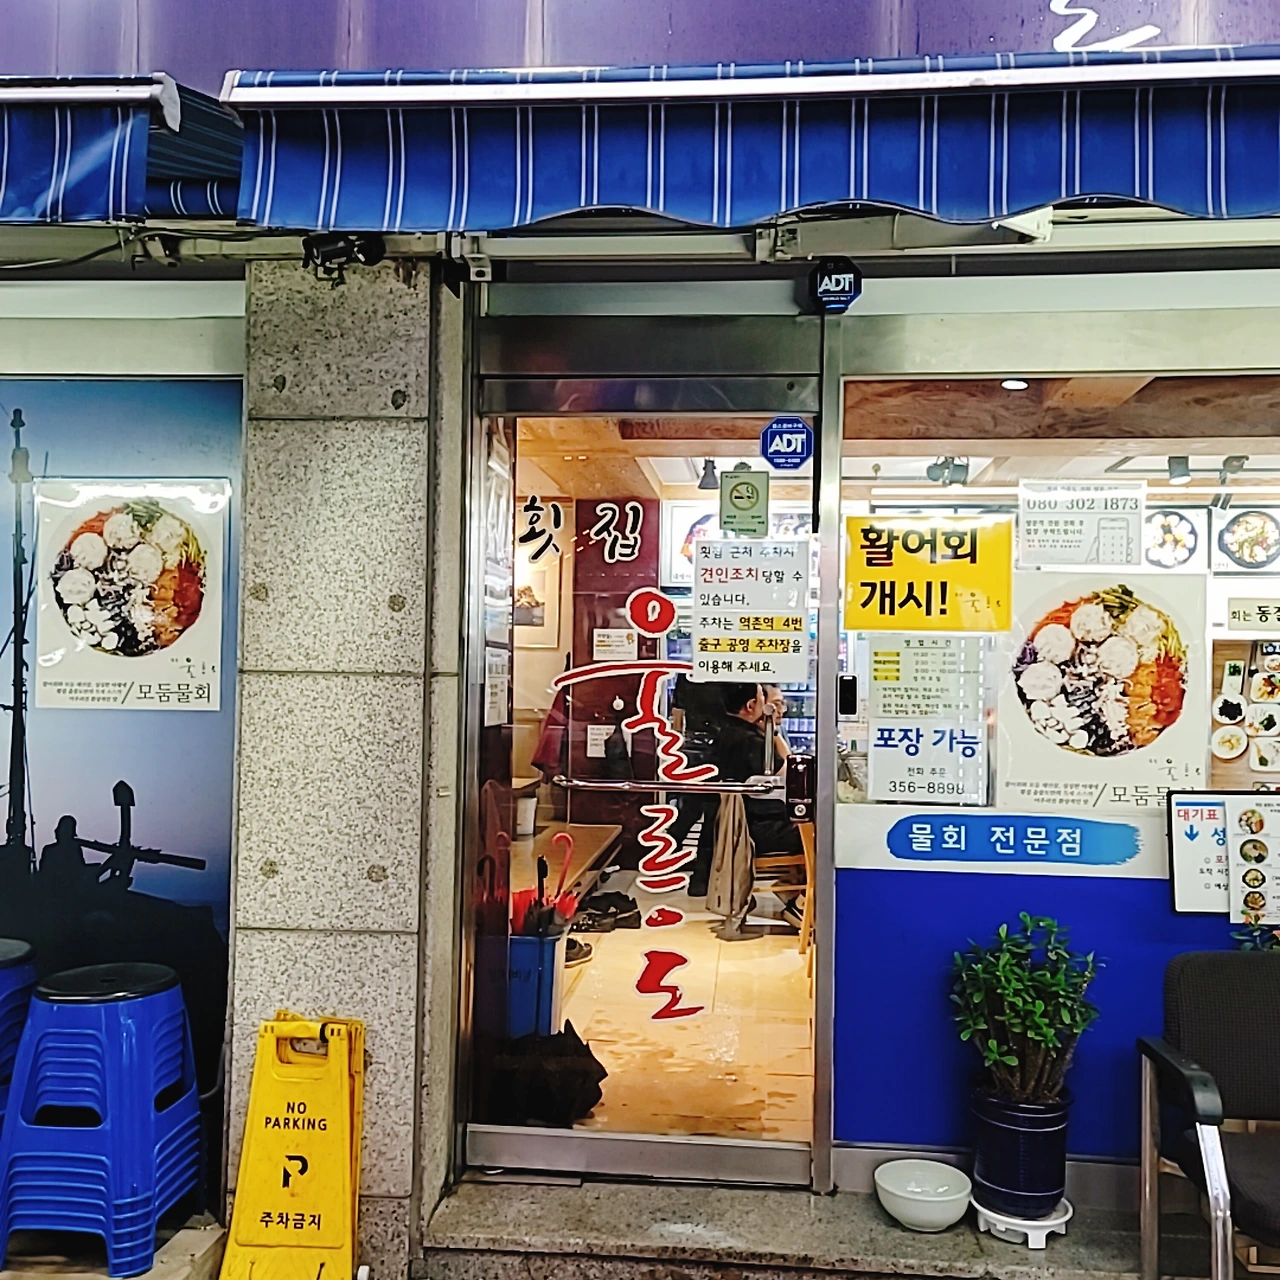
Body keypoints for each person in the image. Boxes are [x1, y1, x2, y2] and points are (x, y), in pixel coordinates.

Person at [709, 683, 805, 928]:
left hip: (744, 826)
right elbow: (789, 773)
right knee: (820, 835)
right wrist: (774, 734)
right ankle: (800, 903)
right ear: (752, 705)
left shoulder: (727, 732)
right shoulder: (749, 741)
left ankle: (790, 889)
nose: (777, 710)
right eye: (768, 702)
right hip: (758, 830)